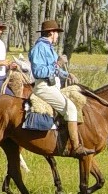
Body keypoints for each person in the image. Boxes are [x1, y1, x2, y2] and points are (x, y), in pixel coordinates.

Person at [29, 19, 94, 156]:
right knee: (70, 108)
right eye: (57, 33)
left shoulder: (48, 47)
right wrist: (58, 64)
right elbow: (38, 72)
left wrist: (67, 74)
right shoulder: (40, 48)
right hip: (43, 86)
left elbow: (55, 70)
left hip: (52, 86)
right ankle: (76, 147)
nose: (58, 36)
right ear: (51, 33)